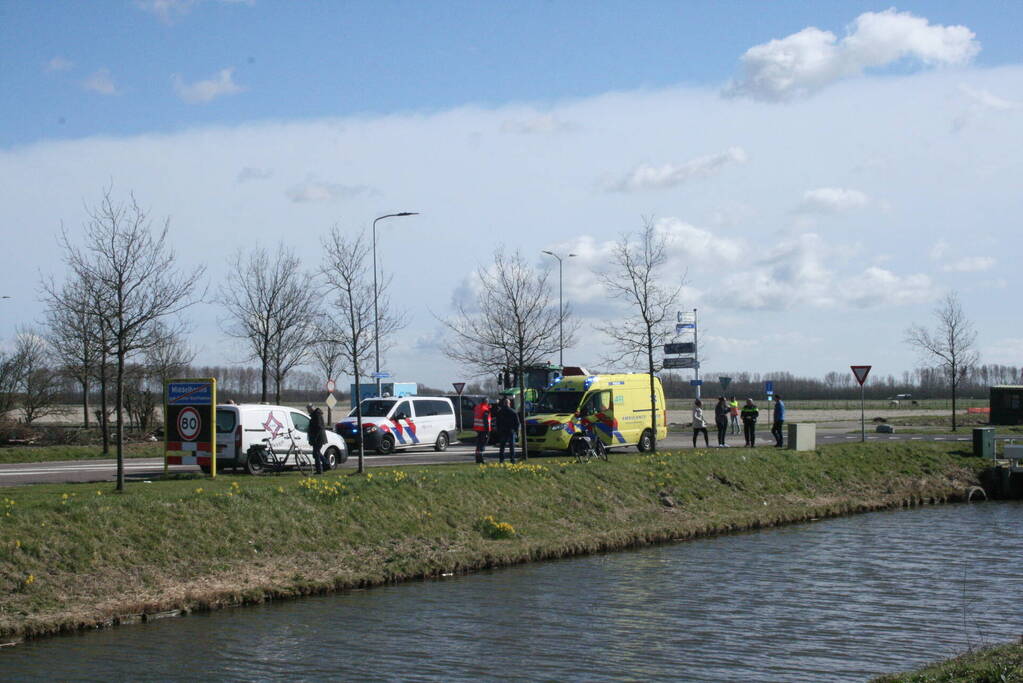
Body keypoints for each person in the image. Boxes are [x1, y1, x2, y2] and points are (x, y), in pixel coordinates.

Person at [494, 398, 520, 464]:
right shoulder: (513, 412)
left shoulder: (500, 412)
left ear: (504, 404)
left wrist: (498, 429)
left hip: (503, 430)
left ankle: (501, 460)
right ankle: (512, 460)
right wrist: (516, 431)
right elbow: (517, 423)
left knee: (502, 446)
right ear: (509, 404)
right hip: (511, 431)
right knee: (512, 446)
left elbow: (497, 422)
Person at [307, 404, 328, 474]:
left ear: (312, 408)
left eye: (308, 409)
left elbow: (319, 427)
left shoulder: (317, 415)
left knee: (316, 453)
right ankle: (326, 464)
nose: (308, 411)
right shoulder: (315, 415)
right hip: (318, 438)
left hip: (318, 438)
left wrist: (315, 438)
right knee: (316, 453)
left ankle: (319, 470)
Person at [472, 397, 492, 463]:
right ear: (486, 402)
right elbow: (486, 421)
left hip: (477, 428)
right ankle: (481, 459)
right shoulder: (485, 410)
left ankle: (477, 458)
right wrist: (487, 431)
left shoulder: (477, 407)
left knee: (478, 445)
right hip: (483, 429)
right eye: (488, 402)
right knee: (482, 445)